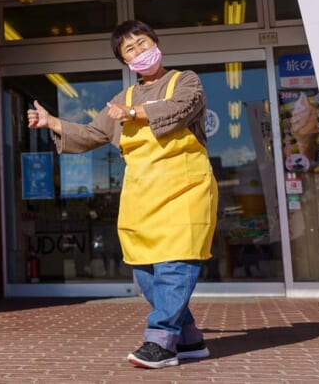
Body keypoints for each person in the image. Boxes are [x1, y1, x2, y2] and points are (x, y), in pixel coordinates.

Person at [27, 19, 218, 369]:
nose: (139, 51)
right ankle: (189, 338)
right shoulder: (122, 98)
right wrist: (52, 122)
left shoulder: (185, 80)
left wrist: (133, 114)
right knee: (145, 271)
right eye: (130, 49)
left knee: (175, 264)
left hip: (185, 189)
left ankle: (161, 341)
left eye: (143, 43)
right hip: (142, 194)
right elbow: (92, 134)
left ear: (156, 43)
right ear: (125, 61)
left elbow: (180, 108)